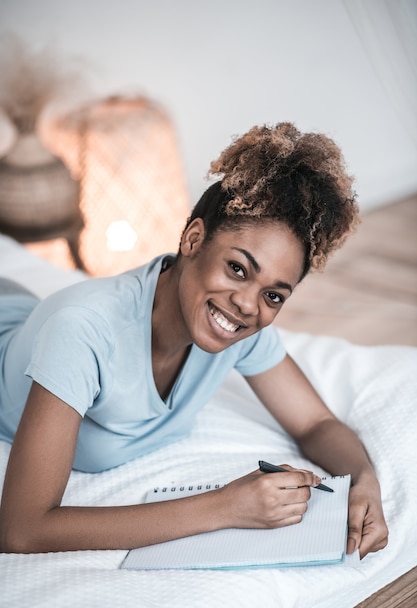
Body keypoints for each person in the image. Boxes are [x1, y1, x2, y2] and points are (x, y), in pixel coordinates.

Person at [0, 122, 388, 557]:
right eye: (238, 268)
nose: (247, 305)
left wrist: (363, 480)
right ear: (193, 238)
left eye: (273, 295)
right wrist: (225, 506)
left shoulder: (241, 326)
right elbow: (22, 529)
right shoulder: (83, 332)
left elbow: (315, 424)